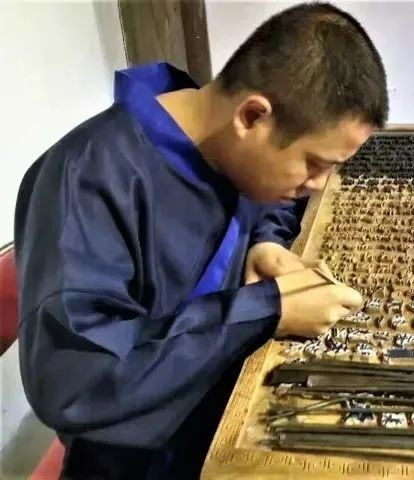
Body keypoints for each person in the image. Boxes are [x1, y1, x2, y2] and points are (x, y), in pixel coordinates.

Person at [14, 2, 388, 478]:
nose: (318, 184)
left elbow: (263, 200)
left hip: (224, 422)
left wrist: (265, 243)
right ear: (252, 116)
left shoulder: (218, 139)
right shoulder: (85, 179)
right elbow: (78, 381)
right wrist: (267, 309)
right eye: (314, 164)